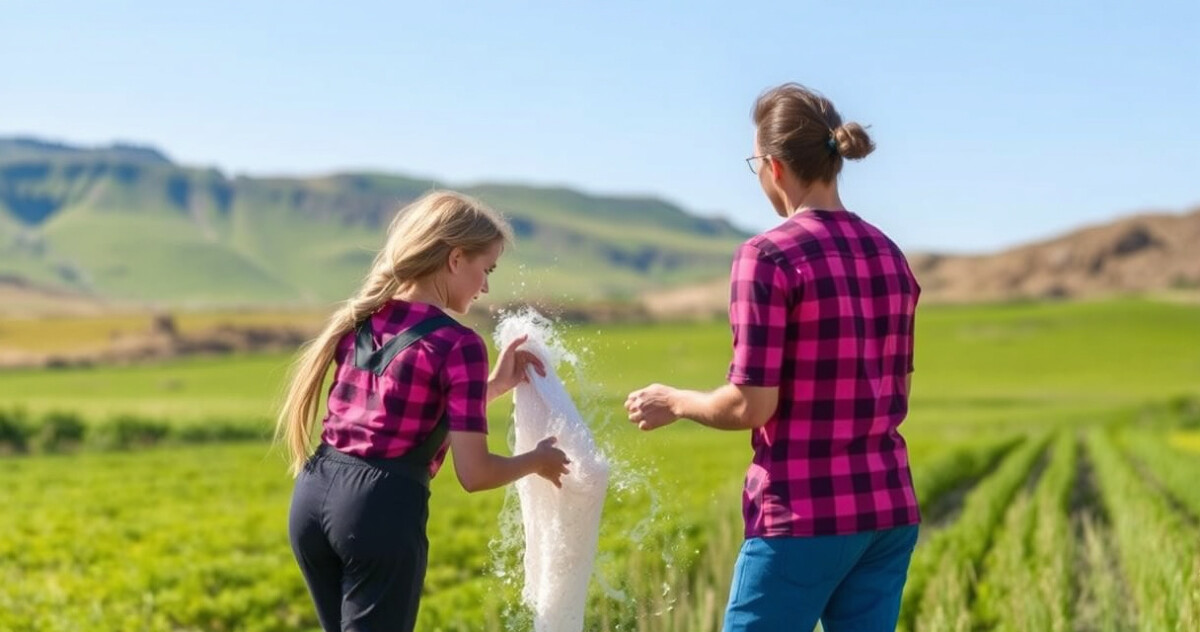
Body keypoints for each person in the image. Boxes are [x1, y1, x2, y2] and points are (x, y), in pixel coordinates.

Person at [625, 83, 921, 632]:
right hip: (888, 509)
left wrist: (676, 401)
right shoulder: (890, 254)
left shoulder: (767, 256)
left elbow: (751, 405)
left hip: (803, 514)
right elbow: (893, 386)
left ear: (775, 167)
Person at [276, 190, 571, 632]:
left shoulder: (365, 318)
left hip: (312, 499)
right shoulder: (459, 343)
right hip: (378, 512)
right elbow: (475, 474)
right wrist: (539, 460)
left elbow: (398, 413)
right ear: (455, 259)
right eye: (485, 269)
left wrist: (496, 386)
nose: (486, 285)